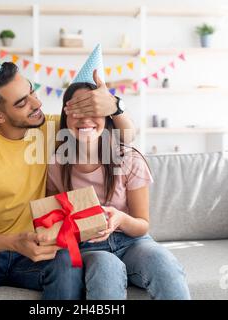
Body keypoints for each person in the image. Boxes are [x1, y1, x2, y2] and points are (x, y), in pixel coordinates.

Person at [0, 41, 135, 299]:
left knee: (69, 262)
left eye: (32, 91)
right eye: (22, 103)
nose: (37, 103)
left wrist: (114, 106)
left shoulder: (51, 130)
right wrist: (11, 242)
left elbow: (124, 137)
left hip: (38, 252)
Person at [47, 82, 191, 300]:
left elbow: (142, 225)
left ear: (107, 118)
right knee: (106, 265)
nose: (85, 119)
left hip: (133, 242)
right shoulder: (57, 164)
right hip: (88, 248)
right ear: (65, 119)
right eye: (76, 111)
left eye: (93, 111)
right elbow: (52, 223)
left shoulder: (129, 159)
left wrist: (121, 219)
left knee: (161, 260)